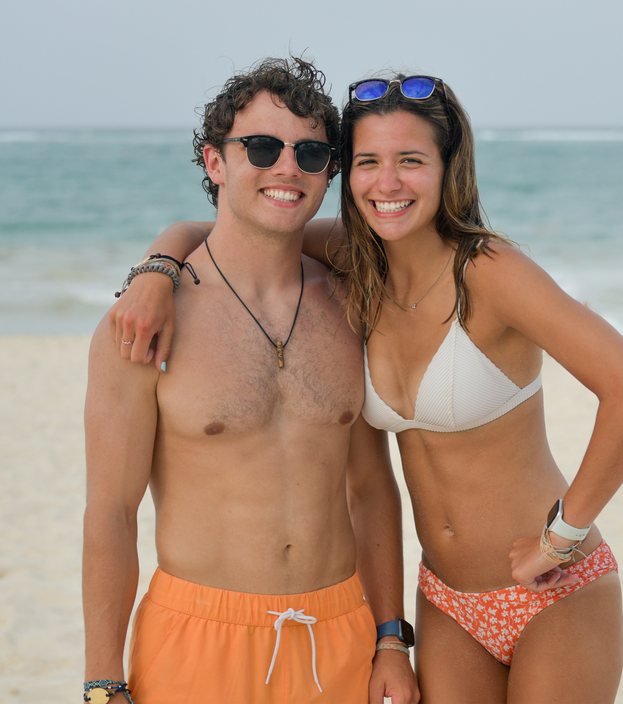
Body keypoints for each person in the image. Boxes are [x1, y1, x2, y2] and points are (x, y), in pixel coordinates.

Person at [111, 73, 623, 703]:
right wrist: (156, 271)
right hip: (444, 603)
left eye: (411, 161)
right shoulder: (355, 262)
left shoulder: (490, 272)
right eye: (368, 162)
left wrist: (561, 534)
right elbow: (223, 229)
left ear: (446, 168)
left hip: (553, 593)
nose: (388, 183)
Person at [83, 58, 420, 704]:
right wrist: (103, 683)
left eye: (312, 153)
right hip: (195, 640)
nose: (287, 168)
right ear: (216, 163)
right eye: (262, 147)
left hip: (339, 637)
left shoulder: (353, 305)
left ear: (330, 173)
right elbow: (111, 514)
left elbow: (373, 488)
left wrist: (390, 638)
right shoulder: (146, 321)